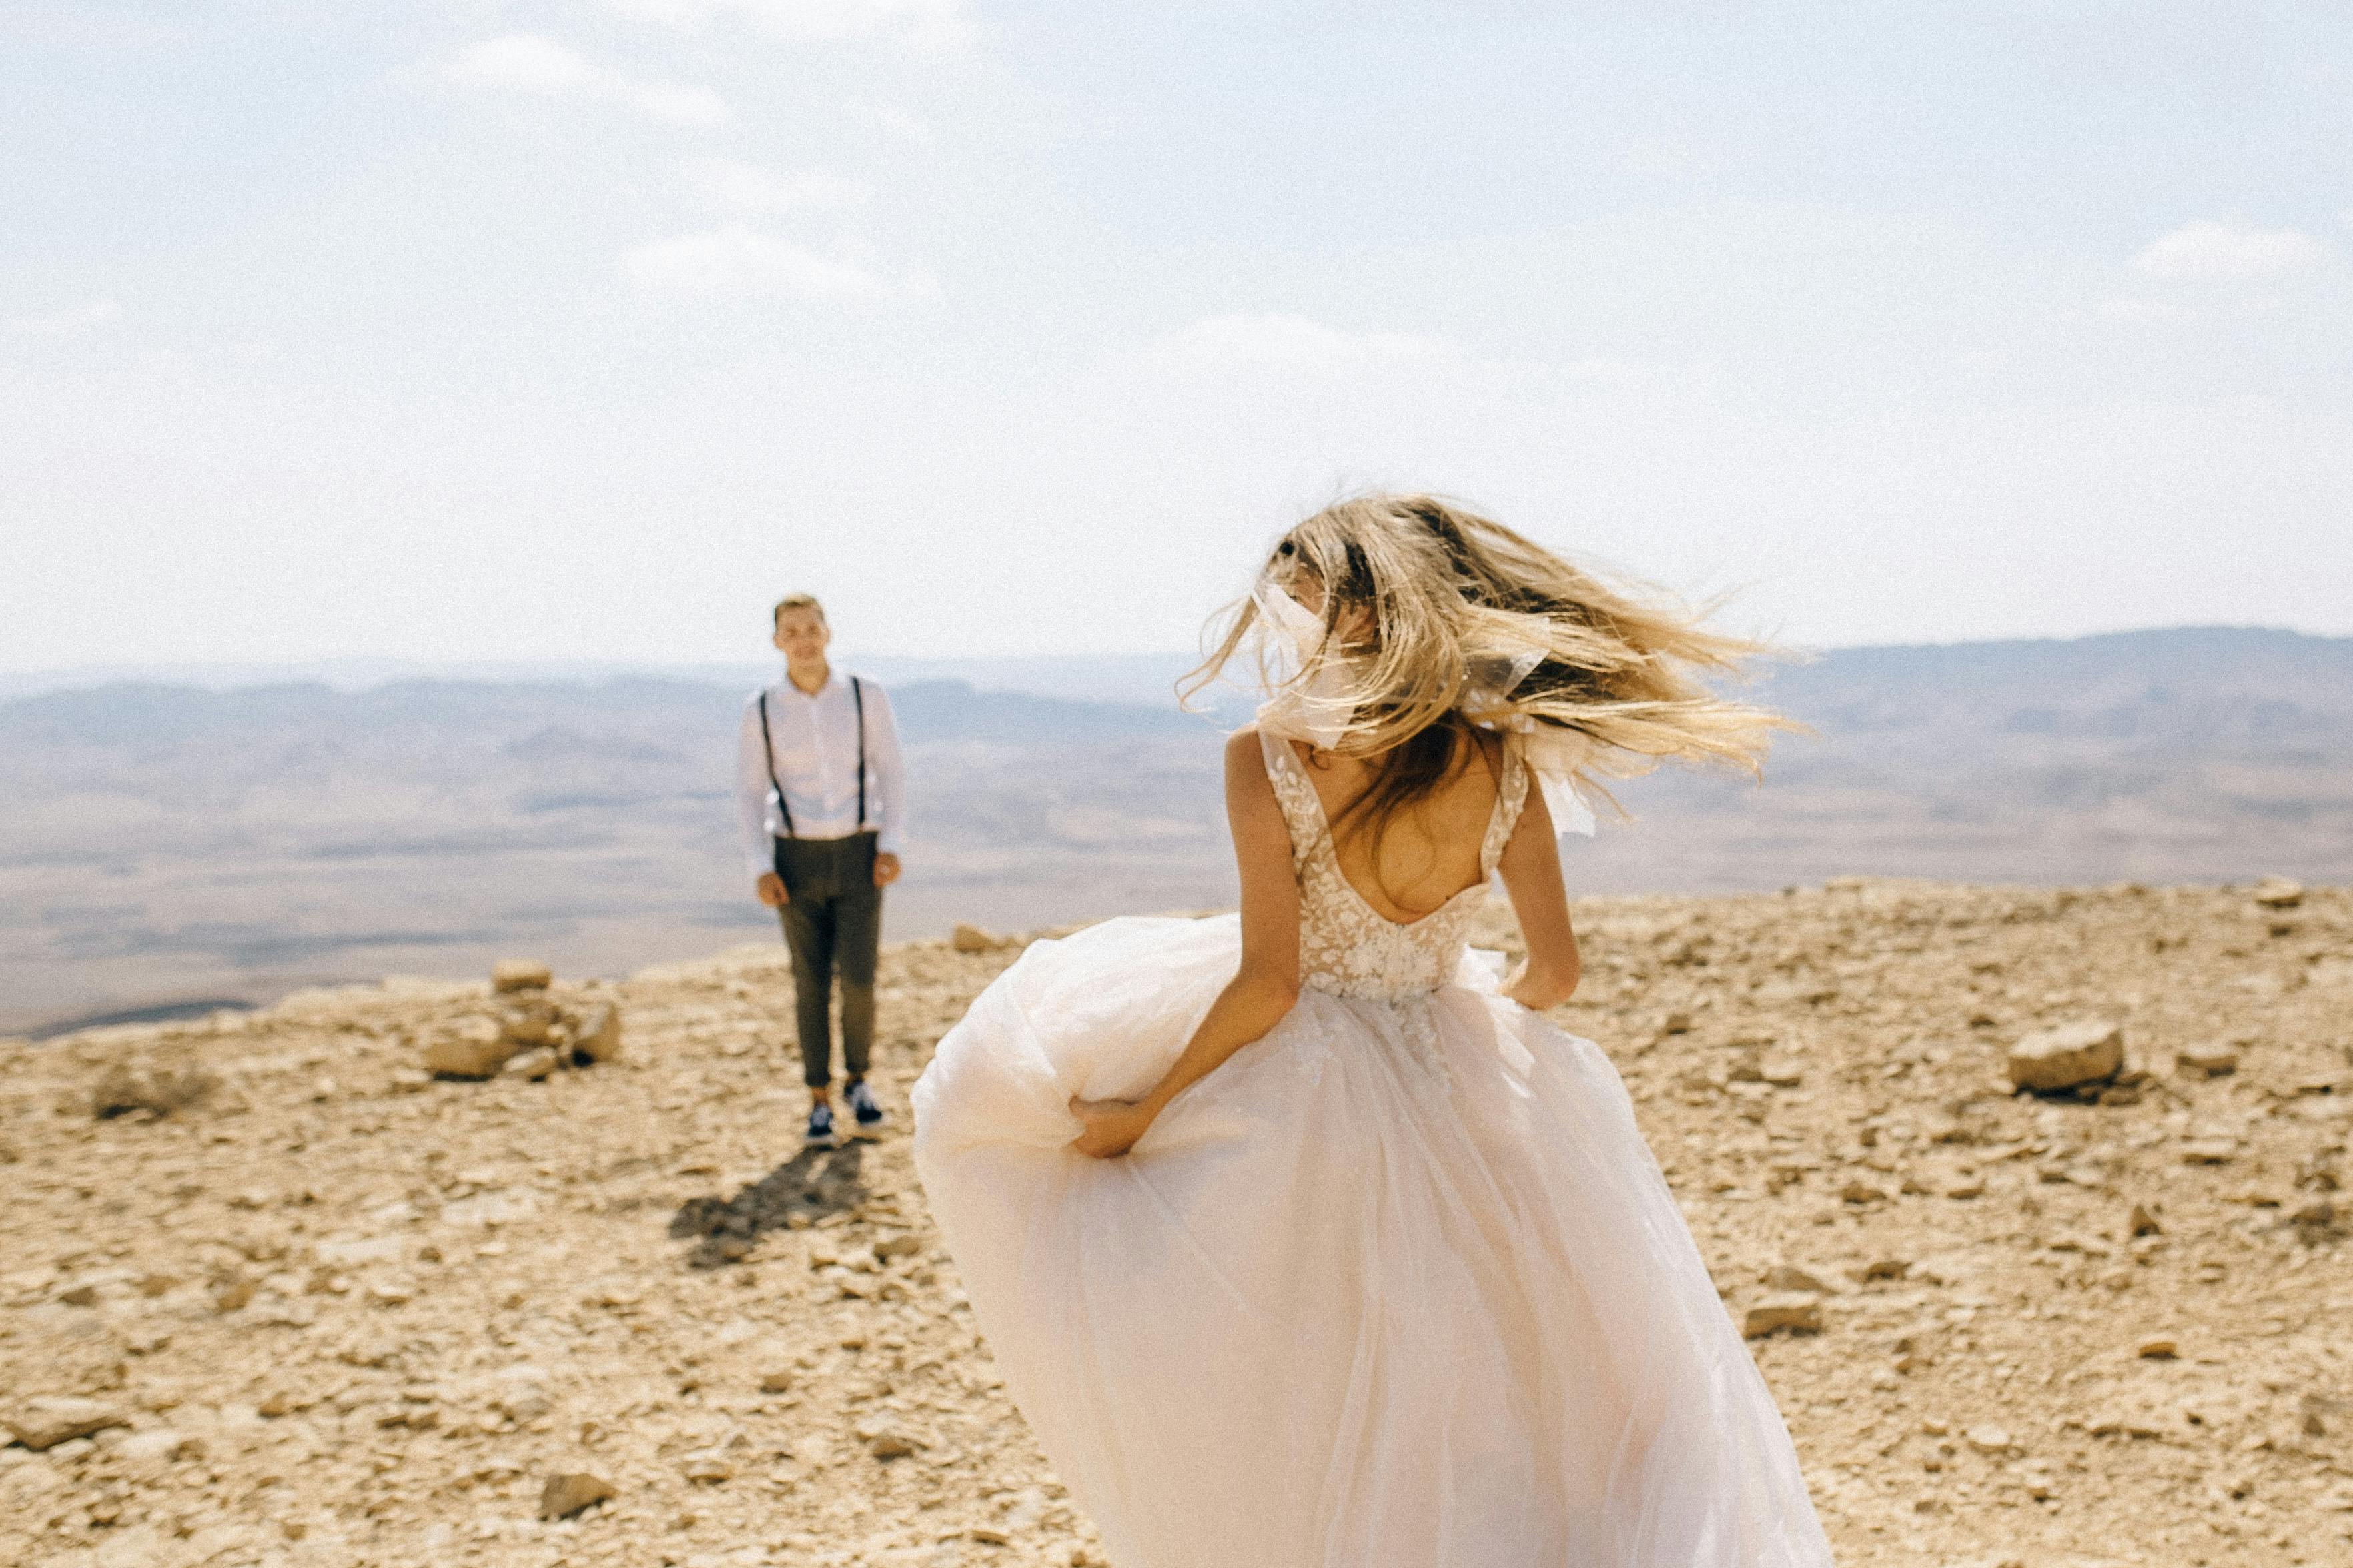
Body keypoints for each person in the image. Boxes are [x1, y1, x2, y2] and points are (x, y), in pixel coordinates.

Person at [911, 495, 1834, 1566]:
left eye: (1295, 606)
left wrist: (1141, 1108)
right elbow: (1556, 971)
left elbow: (1269, 983)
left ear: (1343, 611)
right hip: (1456, 1056)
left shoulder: (1269, 754)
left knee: (1318, 1373)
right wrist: (1465, 1027)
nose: (1286, 630)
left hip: (1310, 1088)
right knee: (1505, 1367)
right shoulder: (1503, 756)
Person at [738, 592, 907, 1149]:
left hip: (860, 853)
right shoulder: (761, 709)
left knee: (858, 978)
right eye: (791, 630)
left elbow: (890, 770)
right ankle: (818, 1099)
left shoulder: (865, 695)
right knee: (809, 982)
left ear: (827, 633)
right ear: (776, 641)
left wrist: (890, 842)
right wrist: (761, 865)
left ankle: (859, 1082)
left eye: (811, 627)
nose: (803, 638)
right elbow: (748, 792)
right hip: (796, 857)